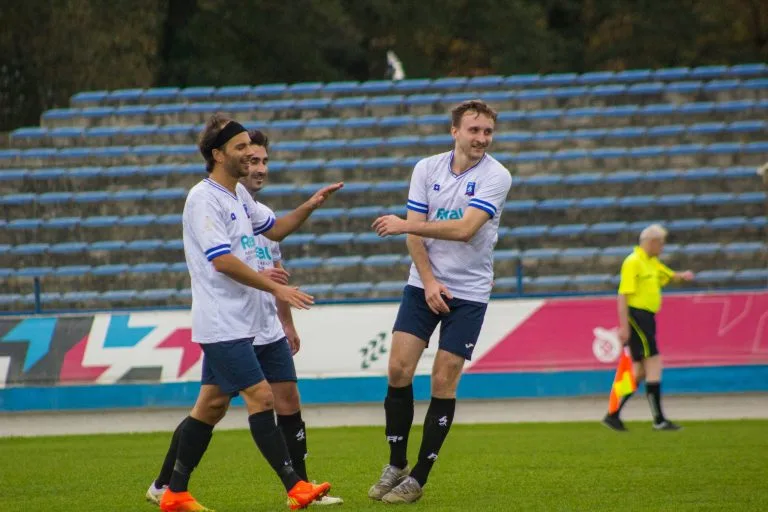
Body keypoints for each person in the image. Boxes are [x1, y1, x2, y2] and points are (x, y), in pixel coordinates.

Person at [149, 115, 342, 512]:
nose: (248, 154)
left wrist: (310, 204)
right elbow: (221, 261)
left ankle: (172, 492)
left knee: (211, 406)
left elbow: (276, 230)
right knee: (261, 395)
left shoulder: (239, 196)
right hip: (222, 322)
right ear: (218, 154)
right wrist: (275, 286)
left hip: (250, 321)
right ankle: (295, 486)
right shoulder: (203, 198)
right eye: (240, 148)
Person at [368, 100, 512, 504]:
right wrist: (429, 281)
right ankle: (396, 463)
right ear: (455, 132)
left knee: (443, 379)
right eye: (474, 130)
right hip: (423, 283)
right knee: (398, 369)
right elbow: (416, 236)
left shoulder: (497, 176)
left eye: (488, 131)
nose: (482, 138)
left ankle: (419, 477)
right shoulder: (426, 168)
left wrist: (405, 224)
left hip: (469, 291)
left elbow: (466, 229)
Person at [602, 224, 695, 432]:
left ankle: (613, 414)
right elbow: (623, 295)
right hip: (637, 316)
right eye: (661, 243)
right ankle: (659, 419)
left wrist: (683, 276)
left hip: (647, 317)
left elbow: (669, 276)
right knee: (654, 362)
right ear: (651, 242)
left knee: (640, 371)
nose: (662, 247)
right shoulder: (633, 262)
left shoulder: (652, 263)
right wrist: (623, 326)